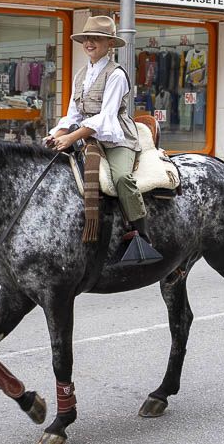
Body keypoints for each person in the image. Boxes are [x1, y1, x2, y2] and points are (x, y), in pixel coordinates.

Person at [46, 14, 161, 267]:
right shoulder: (80, 75)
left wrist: (72, 137)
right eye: (87, 38)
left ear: (110, 44)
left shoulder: (116, 74)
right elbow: (73, 114)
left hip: (116, 138)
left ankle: (142, 235)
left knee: (121, 178)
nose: (90, 42)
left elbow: (106, 117)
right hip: (86, 134)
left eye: (97, 38)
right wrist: (56, 135)